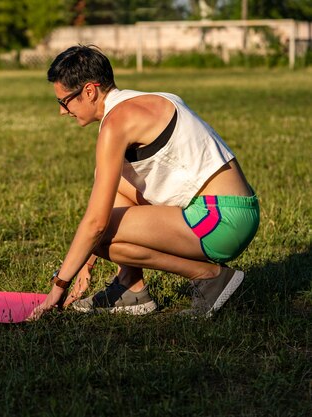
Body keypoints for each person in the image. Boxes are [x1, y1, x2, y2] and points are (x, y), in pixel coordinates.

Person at [28, 45, 259, 320]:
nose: (63, 112)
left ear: (89, 91)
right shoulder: (147, 100)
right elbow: (108, 198)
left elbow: (96, 224)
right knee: (109, 184)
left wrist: (58, 288)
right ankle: (131, 287)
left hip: (221, 221)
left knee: (98, 235)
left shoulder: (116, 123)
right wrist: (86, 263)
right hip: (235, 211)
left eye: (64, 101)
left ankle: (209, 276)